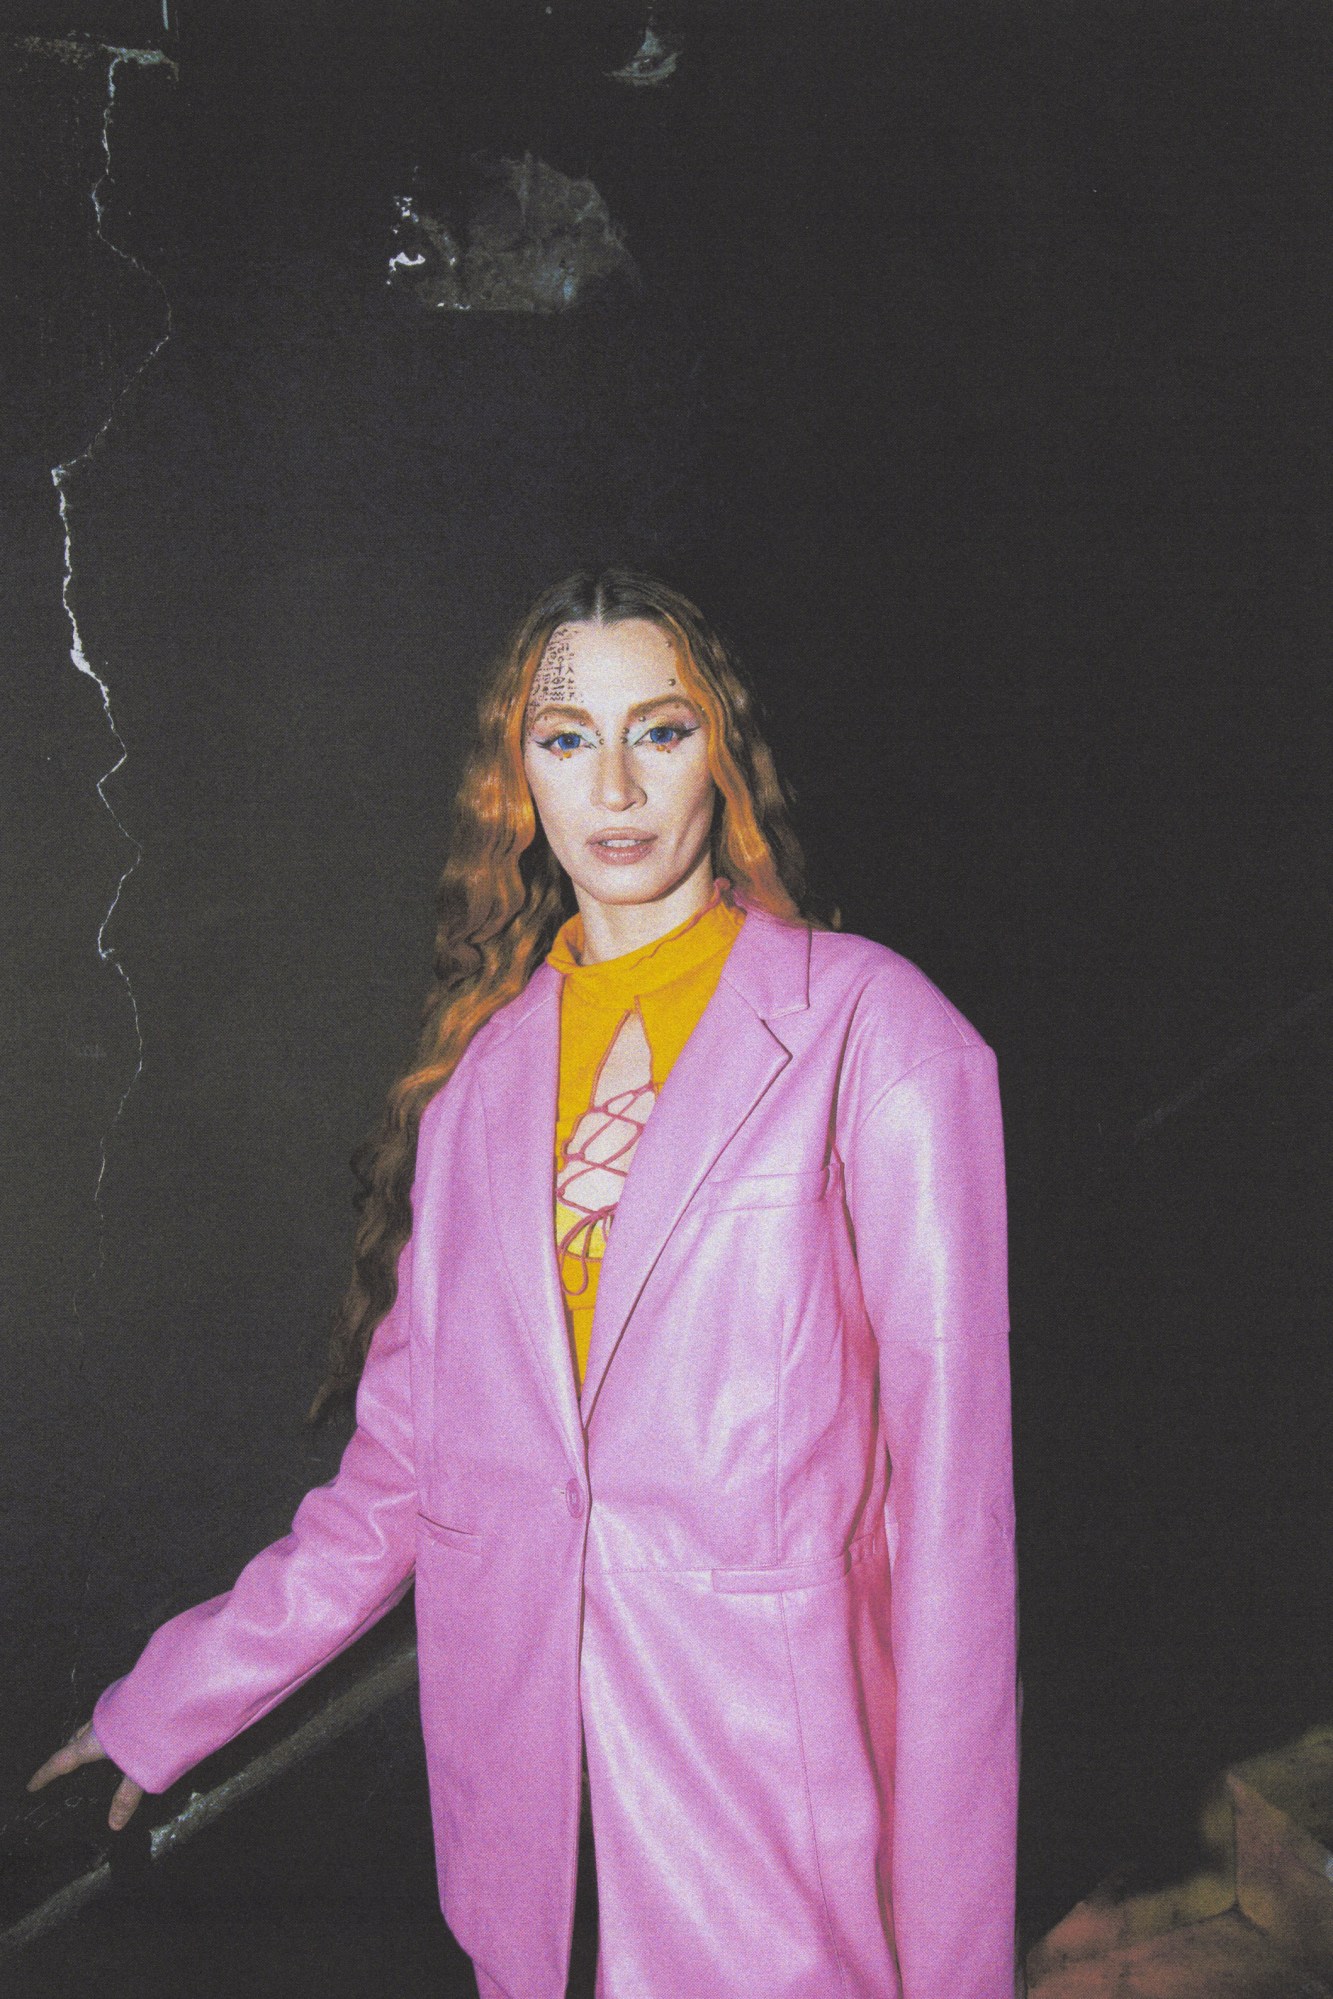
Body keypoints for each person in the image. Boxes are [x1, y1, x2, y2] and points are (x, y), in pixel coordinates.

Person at [30, 570, 1019, 1998]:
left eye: (659, 731)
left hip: (775, 1844)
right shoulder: (484, 1089)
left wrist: (954, 1964)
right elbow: (395, 1487)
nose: (613, 783)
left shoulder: (879, 1037)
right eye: (565, 739)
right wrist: (170, 1701)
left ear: (720, 756)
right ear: (518, 777)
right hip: (533, 1853)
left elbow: (954, 1539)